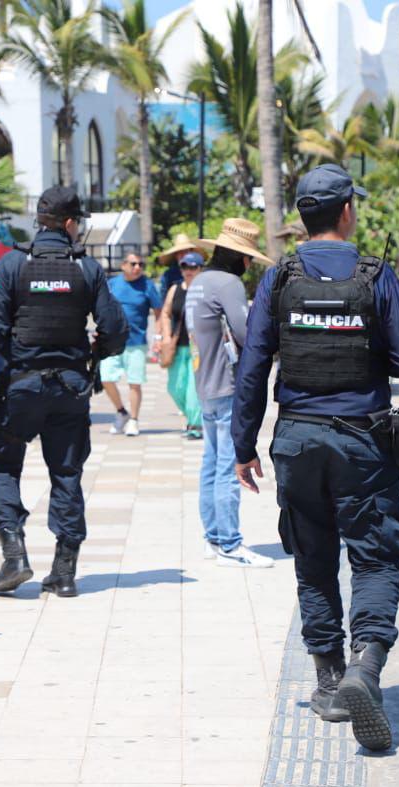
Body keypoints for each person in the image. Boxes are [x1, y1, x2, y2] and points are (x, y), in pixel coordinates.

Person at [233, 164, 399, 752]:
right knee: (374, 556)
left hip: (295, 439)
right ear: (346, 211)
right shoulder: (376, 274)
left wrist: (243, 446)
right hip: (362, 441)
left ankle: (328, 681)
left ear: (302, 216)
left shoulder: (279, 277)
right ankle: (365, 669)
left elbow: (254, 365)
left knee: (313, 559)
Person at [0, 186, 127, 598]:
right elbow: (116, 331)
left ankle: (14, 555)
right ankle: (64, 573)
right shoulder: (87, 269)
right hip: (70, 390)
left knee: (1, 466)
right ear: (69, 224)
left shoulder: (10, 265)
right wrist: (93, 351)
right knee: (67, 474)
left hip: (19, 389)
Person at [184, 219, 274, 568]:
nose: (250, 265)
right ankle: (230, 544)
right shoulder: (228, 283)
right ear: (239, 256)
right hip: (226, 383)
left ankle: (212, 537)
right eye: (249, 258)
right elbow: (246, 331)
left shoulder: (200, 282)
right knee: (228, 465)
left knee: (210, 462)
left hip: (203, 381)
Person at [100, 251, 162, 436]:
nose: (138, 268)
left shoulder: (148, 285)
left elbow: (159, 313)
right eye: (134, 264)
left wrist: (158, 337)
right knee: (106, 378)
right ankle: (121, 412)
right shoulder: (112, 284)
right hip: (112, 342)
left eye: (141, 265)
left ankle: (134, 420)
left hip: (136, 342)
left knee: (134, 382)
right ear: (123, 265)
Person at [159, 251, 204, 439]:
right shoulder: (175, 289)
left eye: (193, 267)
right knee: (175, 387)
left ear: (201, 268)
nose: (189, 270)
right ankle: (196, 419)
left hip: (198, 347)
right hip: (177, 346)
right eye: (185, 266)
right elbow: (166, 313)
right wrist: (166, 336)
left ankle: (196, 425)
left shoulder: (204, 289)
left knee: (193, 389)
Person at [157, 232, 206, 297]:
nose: (183, 255)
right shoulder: (168, 276)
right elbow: (164, 299)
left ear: (191, 252)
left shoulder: (200, 271)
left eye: (186, 251)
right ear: (176, 255)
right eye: (180, 252)